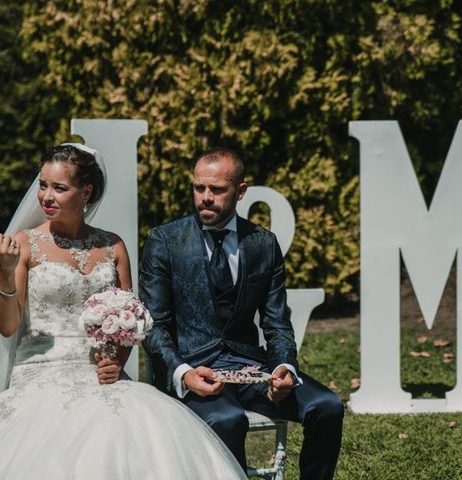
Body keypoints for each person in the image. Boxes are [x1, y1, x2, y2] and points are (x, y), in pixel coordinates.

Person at [0, 144, 246, 479]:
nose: (46, 197)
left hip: (102, 377)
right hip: (39, 376)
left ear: (87, 192)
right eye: (42, 185)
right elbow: (7, 327)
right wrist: (6, 273)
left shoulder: (113, 246)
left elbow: (132, 318)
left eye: (59, 188)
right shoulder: (24, 244)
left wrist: (118, 360)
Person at [141, 147, 344, 480]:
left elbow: (277, 322)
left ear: (241, 191)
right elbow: (155, 326)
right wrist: (184, 373)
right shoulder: (165, 241)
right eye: (198, 187)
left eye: (217, 190)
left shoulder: (264, 243)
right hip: (193, 369)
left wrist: (283, 367)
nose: (205, 197)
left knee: (328, 406)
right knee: (228, 419)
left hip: (251, 369)